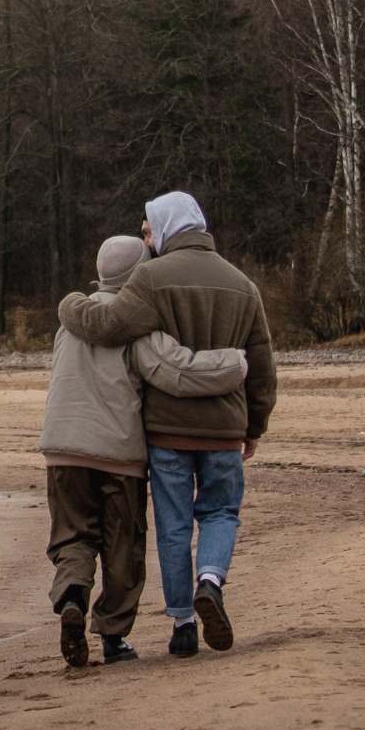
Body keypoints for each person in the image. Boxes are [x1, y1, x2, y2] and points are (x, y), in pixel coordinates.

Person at [61, 191, 276, 659]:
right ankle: (211, 581)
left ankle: (182, 625)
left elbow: (108, 326)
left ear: (166, 227)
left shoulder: (150, 279)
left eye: (149, 230)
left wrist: (68, 307)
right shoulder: (243, 285)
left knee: (174, 527)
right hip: (224, 430)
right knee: (221, 513)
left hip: (167, 433)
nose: (147, 239)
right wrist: (254, 427)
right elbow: (261, 367)